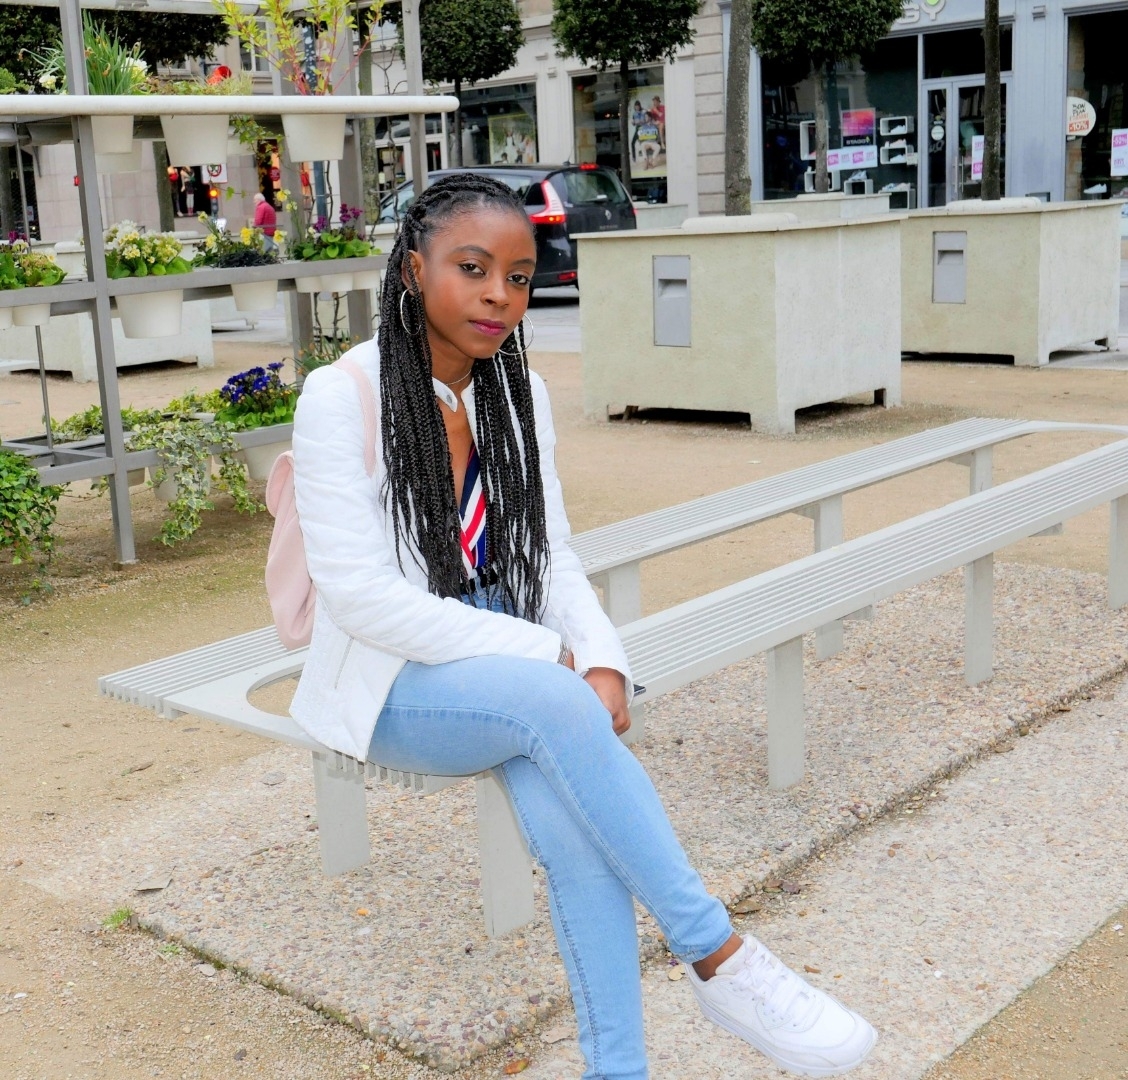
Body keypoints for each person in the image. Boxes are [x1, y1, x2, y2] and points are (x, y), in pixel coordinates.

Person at [290, 174, 877, 1080]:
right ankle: (718, 955)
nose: (499, 295)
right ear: (413, 268)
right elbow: (361, 597)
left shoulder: (517, 393)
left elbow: (551, 552)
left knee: (584, 842)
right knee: (555, 709)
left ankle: (618, 1071)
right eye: (473, 268)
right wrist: (552, 659)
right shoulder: (342, 396)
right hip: (394, 679)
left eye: (520, 278)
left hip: (514, 669)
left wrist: (600, 657)